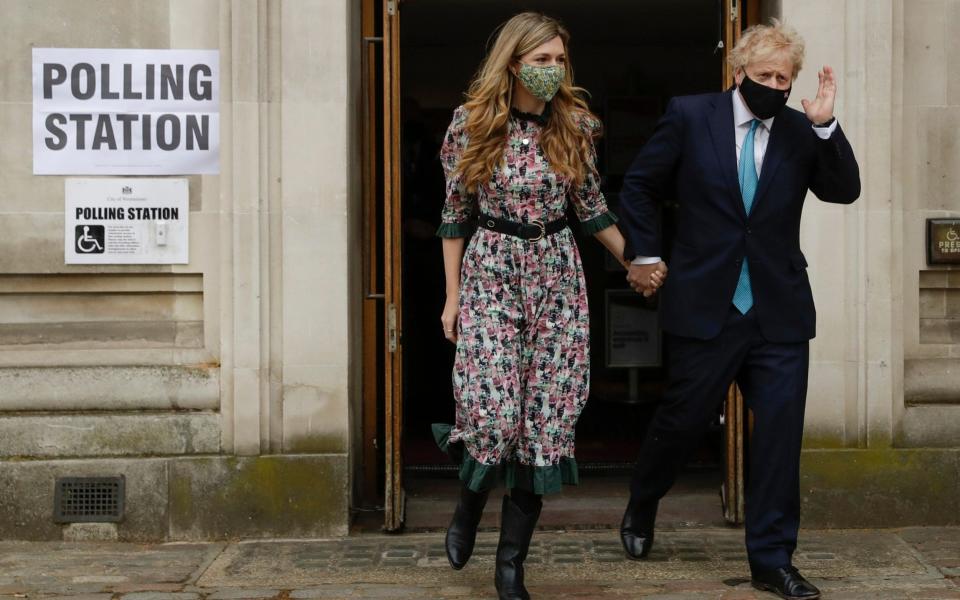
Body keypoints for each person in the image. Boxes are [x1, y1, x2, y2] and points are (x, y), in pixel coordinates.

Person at [616, 20, 860, 600]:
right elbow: (640, 186)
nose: (773, 85)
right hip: (707, 304)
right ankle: (643, 501)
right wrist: (646, 251)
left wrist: (826, 126)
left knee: (779, 436)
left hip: (777, 310)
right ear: (738, 71)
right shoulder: (690, 115)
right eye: (764, 74)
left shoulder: (802, 131)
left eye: (784, 77)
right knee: (681, 422)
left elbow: (844, 189)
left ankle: (772, 562)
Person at [431, 12, 663, 600]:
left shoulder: (575, 126)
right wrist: (453, 296)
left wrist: (634, 261)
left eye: (559, 60)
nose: (552, 70)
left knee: (544, 419)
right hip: (491, 270)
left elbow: (591, 208)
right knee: (492, 414)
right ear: (512, 63)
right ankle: (467, 506)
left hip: (557, 276)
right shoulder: (471, 124)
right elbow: (455, 213)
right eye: (541, 61)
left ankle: (511, 564)